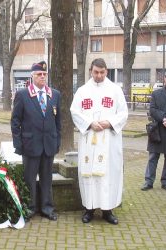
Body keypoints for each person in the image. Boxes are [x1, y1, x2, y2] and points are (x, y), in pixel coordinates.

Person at [70, 58, 128, 225]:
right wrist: (89, 123)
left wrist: (110, 123)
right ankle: (89, 209)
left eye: (102, 72)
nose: (99, 75)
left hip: (109, 140)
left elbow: (123, 113)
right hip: (89, 141)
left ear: (106, 71)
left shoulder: (115, 90)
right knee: (89, 174)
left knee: (107, 175)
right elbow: (74, 111)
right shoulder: (82, 91)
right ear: (91, 71)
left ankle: (107, 210)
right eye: (96, 72)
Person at [11, 61, 61, 221]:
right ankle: (29, 208)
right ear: (32, 76)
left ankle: (47, 208)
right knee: (29, 179)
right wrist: (18, 144)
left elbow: (58, 121)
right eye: (39, 74)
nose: (42, 77)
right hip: (30, 145)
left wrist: (57, 140)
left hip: (49, 144)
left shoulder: (55, 94)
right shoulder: (23, 95)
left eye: (44, 74)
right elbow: (15, 121)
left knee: (47, 177)